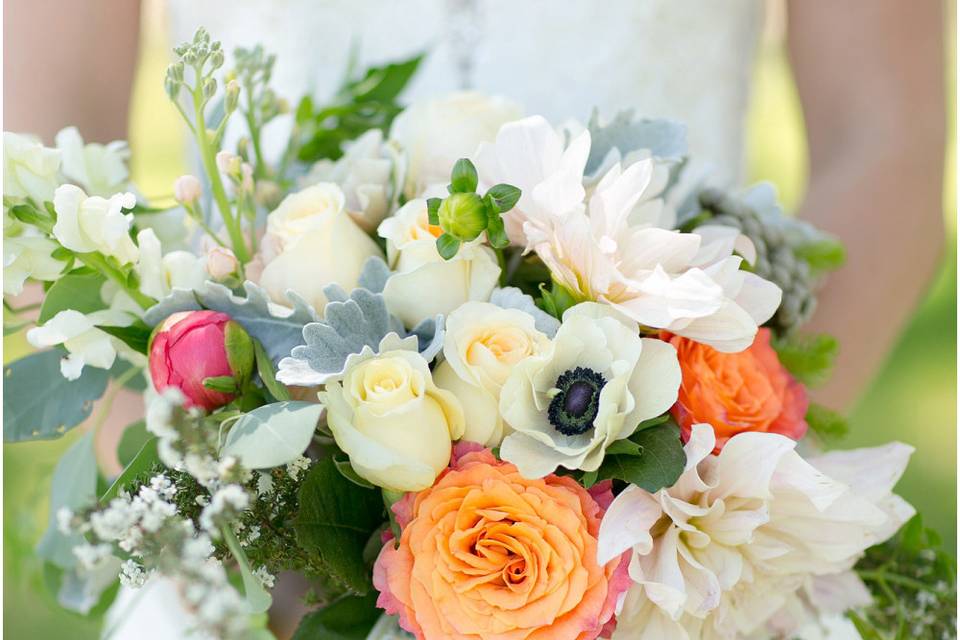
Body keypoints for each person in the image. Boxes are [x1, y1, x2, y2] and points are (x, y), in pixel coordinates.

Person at [3, 1, 946, 638]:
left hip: (678, 542)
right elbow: (34, 157)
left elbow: (886, 142)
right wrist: (247, 527)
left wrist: (712, 500)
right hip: (246, 541)